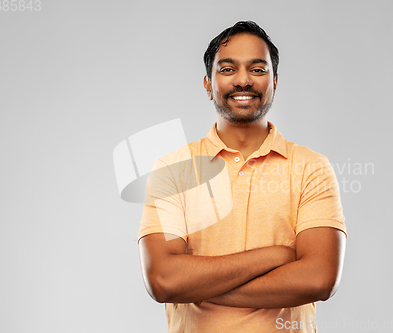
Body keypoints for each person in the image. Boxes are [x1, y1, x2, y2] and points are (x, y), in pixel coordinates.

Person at [138, 21, 347, 333]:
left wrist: (201, 287)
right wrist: (276, 256)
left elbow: (319, 278)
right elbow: (164, 280)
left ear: (275, 81)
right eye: (227, 69)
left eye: (258, 69)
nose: (243, 80)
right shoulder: (173, 169)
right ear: (208, 85)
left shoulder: (310, 167)